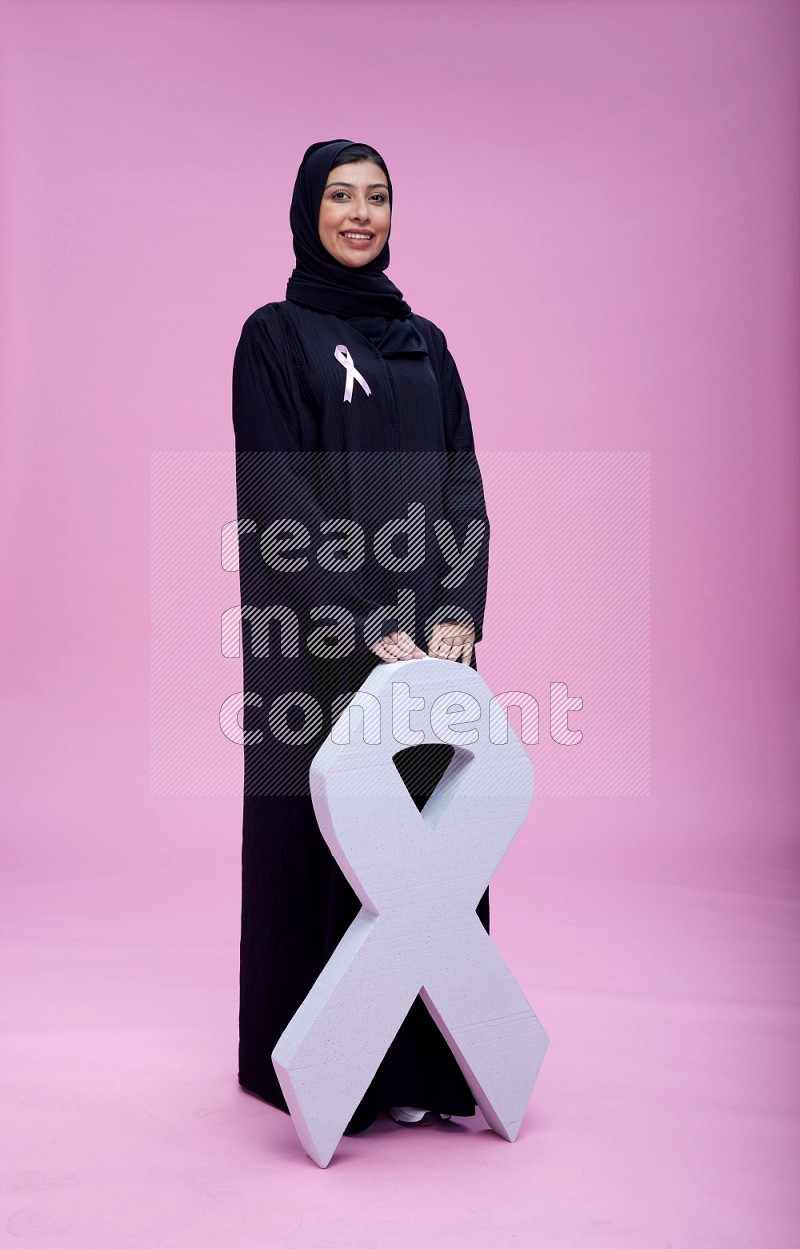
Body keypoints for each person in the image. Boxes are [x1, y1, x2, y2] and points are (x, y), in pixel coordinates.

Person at [232, 139, 491, 1134]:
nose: (358, 213)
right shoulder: (274, 337)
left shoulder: (423, 341)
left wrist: (457, 607)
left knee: (430, 844)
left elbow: (461, 477)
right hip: (321, 642)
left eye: (376, 197)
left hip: (431, 650)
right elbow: (277, 493)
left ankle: (422, 1067)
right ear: (306, 209)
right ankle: (326, 1076)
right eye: (339, 196)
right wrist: (364, 617)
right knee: (328, 845)